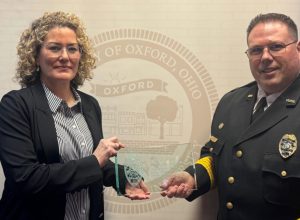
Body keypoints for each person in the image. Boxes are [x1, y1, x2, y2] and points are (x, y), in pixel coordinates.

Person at [0, 11, 150, 220]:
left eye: (72, 49)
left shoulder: (89, 105)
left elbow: (94, 162)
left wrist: (122, 178)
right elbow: (26, 178)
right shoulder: (15, 105)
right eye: (54, 48)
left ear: (81, 55)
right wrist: (95, 160)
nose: (65, 56)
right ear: (35, 56)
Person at [160, 13, 300, 219]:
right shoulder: (231, 102)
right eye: (256, 50)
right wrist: (193, 178)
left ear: (298, 49)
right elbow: (215, 157)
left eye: (276, 47)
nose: (265, 57)